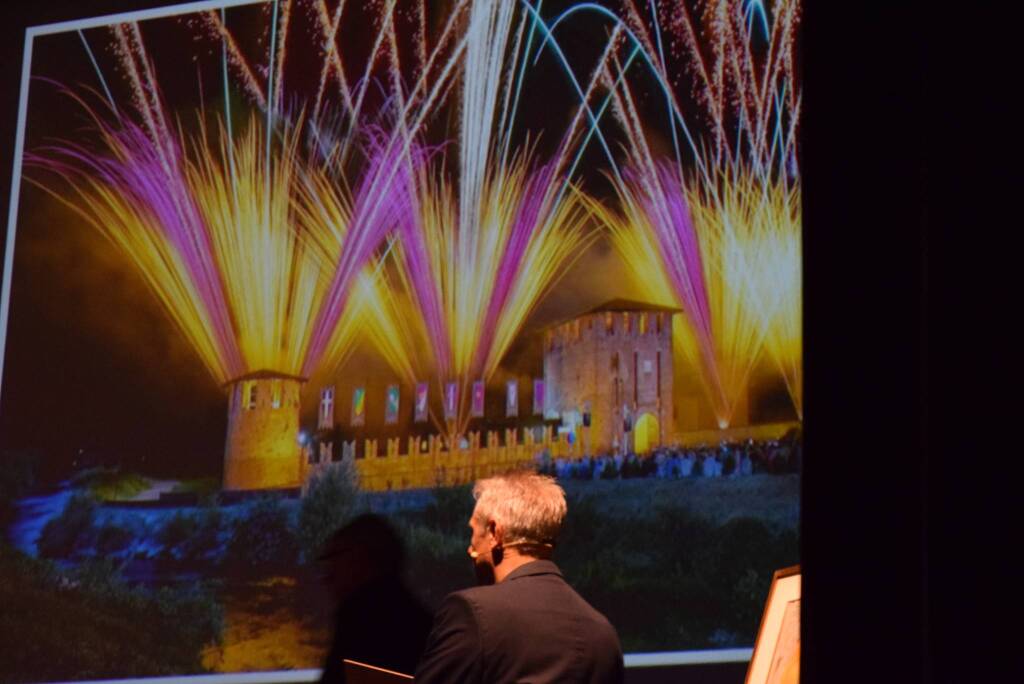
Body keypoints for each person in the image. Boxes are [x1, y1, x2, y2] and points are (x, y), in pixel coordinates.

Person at [414, 471, 624, 683]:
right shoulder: (604, 634)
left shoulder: (473, 614)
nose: (470, 548)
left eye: (473, 532)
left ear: (495, 532)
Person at [318, 514, 432, 683]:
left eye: (335, 557)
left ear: (362, 557)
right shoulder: (416, 617)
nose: (327, 574)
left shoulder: (360, 618)